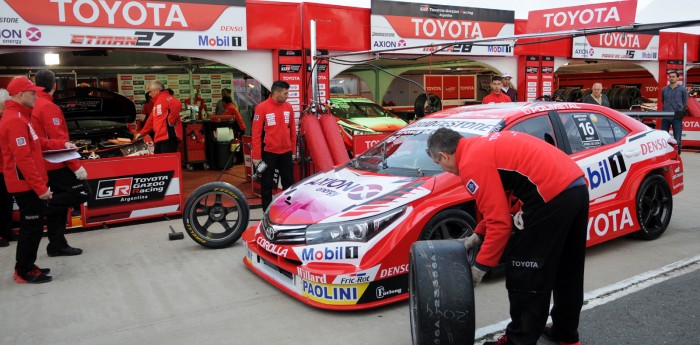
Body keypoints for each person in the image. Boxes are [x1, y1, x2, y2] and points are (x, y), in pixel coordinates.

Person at [426, 128, 588, 345]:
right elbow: (502, 201)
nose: (443, 168)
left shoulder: (470, 163)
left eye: (439, 163)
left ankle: (518, 340)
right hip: (576, 187)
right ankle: (565, 332)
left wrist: (479, 268)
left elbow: (500, 224)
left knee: (525, 269)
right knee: (567, 268)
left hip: (550, 197)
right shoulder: (480, 146)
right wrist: (478, 234)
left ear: (444, 155)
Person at [0, 77, 76, 284]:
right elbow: (21, 159)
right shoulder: (15, 119)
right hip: (25, 185)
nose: (35, 95)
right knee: (31, 228)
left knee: (33, 227)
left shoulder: (21, 116)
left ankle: (27, 265)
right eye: (31, 92)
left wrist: (62, 143)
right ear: (19, 94)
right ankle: (23, 270)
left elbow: (38, 142)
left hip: (29, 183)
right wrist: (40, 187)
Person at [32, 70, 90, 257]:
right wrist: (76, 166)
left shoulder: (32, 105)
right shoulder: (48, 107)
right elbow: (60, 140)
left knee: (59, 207)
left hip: (41, 164)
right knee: (82, 192)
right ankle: (41, 207)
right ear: (54, 85)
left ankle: (57, 245)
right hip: (55, 165)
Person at [251, 80, 296, 211]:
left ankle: (289, 211)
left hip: (286, 153)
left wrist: (293, 150)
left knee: (289, 184)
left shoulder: (288, 107)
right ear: (276, 93)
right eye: (285, 93)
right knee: (266, 185)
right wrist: (256, 157)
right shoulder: (261, 108)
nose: (288, 96)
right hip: (269, 153)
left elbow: (293, 129)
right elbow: (256, 135)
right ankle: (266, 212)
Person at [134, 81, 183, 153]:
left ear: (157, 90)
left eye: (150, 92)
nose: (149, 94)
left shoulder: (166, 97)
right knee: (161, 162)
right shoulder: (157, 101)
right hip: (159, 138)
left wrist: (170, 121)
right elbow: (151, 120)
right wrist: (142, 133)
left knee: (167, 163)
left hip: (168, 138)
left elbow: (177, 104)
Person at [0, 88, 16, 247]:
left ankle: (6, 231)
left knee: (6, 202)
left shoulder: (4, 118)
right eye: (6, 103)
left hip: (5, 168)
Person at [661, 71, 688, 154]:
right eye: (670, 77)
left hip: (677, 115)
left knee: (677, 138)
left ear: (677, 78)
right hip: (665, 115)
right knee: (664, 137)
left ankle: (677, 155)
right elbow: (663, 101)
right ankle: (664, 153)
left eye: (673, 77)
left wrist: (680, 111)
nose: (671, 78)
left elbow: (684, 102)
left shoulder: (682, 89)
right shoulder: (664, 90)